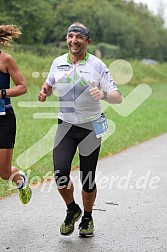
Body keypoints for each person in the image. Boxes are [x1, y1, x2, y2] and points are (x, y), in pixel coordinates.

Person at [38, 22, 122, 237]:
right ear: (67, 39)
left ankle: (87, 217)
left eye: (79, 37)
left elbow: (118, 97)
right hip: (65, 126)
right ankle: (72, 209)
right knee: (60, 173)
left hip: (90, 128)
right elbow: (49, 84)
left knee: (88, 178)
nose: (74, 40)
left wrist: (102, 95)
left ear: (87, 41)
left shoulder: (97, 65)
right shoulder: (58, 63)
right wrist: (45, 91)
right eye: (70, 36)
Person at [0, 25, 32, 204]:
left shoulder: (5, 59)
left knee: (4, 173)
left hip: (4, 119)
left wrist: (2, 93)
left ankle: (21, 181)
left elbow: (22, 86)